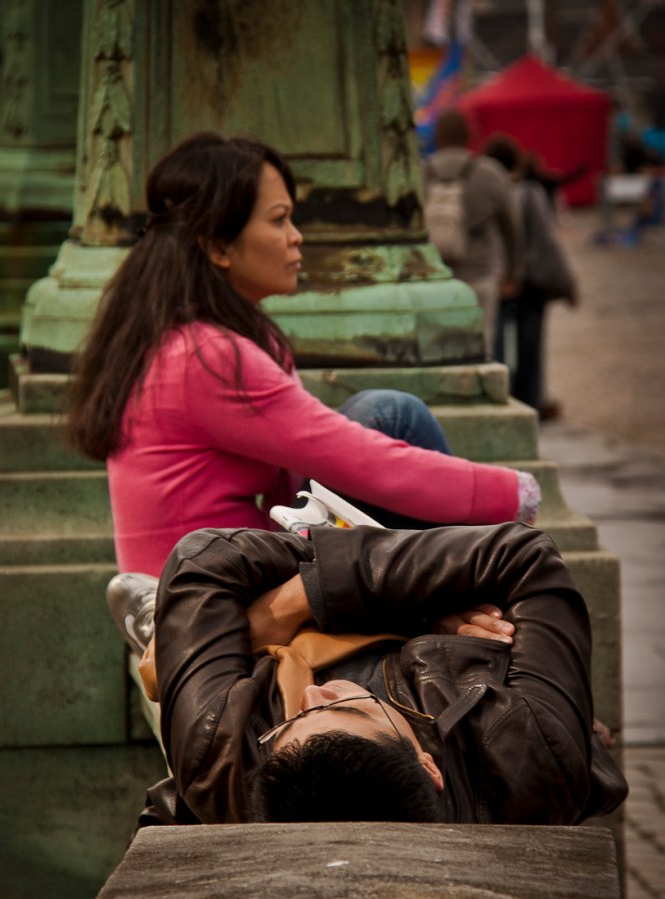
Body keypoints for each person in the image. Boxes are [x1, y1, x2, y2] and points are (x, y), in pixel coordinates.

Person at [66, 131, 538, 577]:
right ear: (218, 246)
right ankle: (491, 584)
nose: (297, 237)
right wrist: (510, 495)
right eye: (278, 220)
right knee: (391, 415)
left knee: (377, 418)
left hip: (214, 570)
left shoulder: (173, 337)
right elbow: (360, 460)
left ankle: (473, 588)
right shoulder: (207, 357)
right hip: (216, 594)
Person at [108, 522, 628, 827]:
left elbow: (204, 559)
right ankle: (168, 629)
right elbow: (524, 555)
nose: (314, 691)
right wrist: (420, 609)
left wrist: (297, 599)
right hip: (400, 607)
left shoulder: (220, 756)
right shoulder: (531, 757)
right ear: (428, 766)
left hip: (332, 604)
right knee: (389, 415)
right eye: (345, 706)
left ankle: (164, 626)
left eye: (286, 722)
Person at [485, 136, 578, 419]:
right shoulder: (529, 191)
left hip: (499, 281)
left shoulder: (486, 190)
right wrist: (568, 283)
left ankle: (502, 399)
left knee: (497, 344)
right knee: (530, 348)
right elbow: (548, 240)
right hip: (530, 284)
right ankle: (531, 403)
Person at [423, 110, 522, 357]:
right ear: (469, 135)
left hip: (434, 279)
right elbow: (512, 227)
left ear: (438, 136)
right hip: (478, 274)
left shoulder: (419, 172)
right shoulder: (490, 173)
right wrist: (512, 273)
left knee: (437, 348)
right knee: (481, 346)